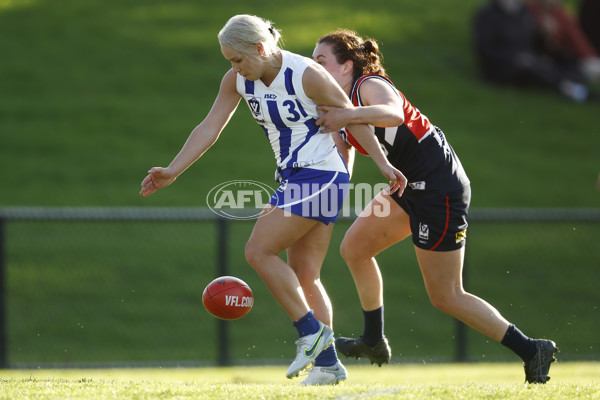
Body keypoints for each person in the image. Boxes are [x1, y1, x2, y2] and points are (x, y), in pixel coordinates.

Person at [139, 15, 406, 386]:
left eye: (238, 60)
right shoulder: (238, 80)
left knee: (258, 251)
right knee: (305, 275)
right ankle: (328, 365)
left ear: (261, 49)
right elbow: (210, 126)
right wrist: (172, 170)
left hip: (321, 173)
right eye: (229, 61)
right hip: (294, 176)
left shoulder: (307, 74)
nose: (234, 68)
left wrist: (381, 164)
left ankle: (310, 334)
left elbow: (351, 118)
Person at [312, 29, 558, 384]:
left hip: (438, 188)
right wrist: (334, 191)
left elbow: (393, 114)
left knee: (446, 295)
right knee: (354, 248)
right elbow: (344, 154)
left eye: (322, 61)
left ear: (348, 66)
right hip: (406, 185)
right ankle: (373, 341)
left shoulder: (367, 84)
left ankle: (532, 349)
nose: (315, 68)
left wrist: (345, 117)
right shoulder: (336, 104)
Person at [473, 0, 592, 102]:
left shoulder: (524, 13)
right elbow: (486, 50)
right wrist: (515, 57)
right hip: (504, 67)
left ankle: (576, 81)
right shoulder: (486, 16)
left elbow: (534, 42)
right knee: (531, 68)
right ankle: (568, 89)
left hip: (532, 59)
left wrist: (544, 36)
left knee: (564, 58)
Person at [527, 0, 600, 81]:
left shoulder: (560, 15)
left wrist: (591, 57)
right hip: (539, 58)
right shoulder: (531, 12)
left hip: (564, 59)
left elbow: (577, 40)